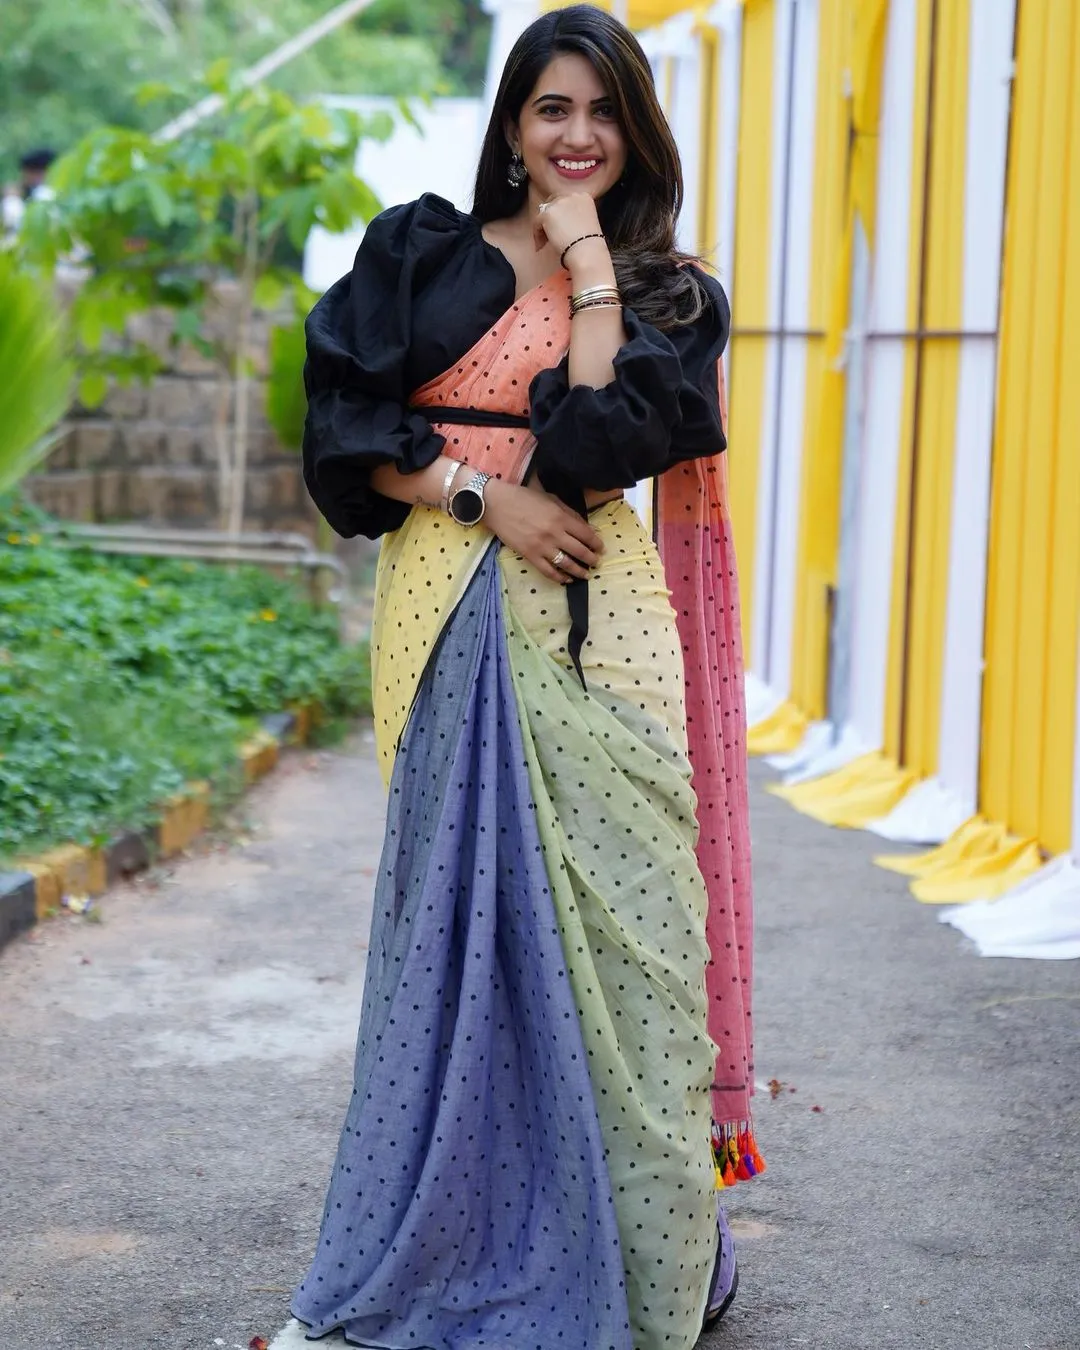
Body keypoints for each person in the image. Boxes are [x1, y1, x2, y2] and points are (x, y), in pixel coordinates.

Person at [292, 7, 759, 1347]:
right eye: (553, 108)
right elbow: (345, 438)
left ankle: (652, 1247)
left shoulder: (674, 294)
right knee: (462, 928)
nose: (578, 135)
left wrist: (590, 273)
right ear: (511, 123)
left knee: (634, 936)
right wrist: (476, 496)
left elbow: (601, 446)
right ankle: (464, 1230)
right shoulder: (420, 252)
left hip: (599, 617)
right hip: (450, 603)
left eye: (604, 110)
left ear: (637, 130)